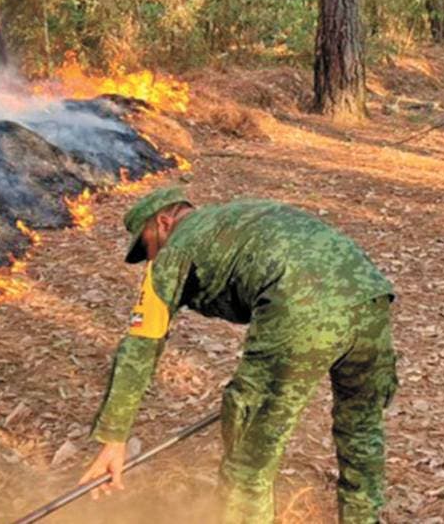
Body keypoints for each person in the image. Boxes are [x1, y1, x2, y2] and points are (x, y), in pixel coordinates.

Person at [79, 187, 399, 523]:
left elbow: (141, 345)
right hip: (371, 295)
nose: (149, 257)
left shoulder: (176, 247)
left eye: (146, 245)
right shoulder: (241, 215)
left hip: (299, 307)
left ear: (163, 221)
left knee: (248, 463)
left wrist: (113, 437)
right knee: (361, 429)